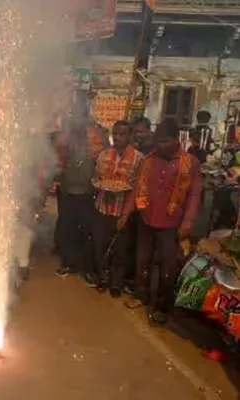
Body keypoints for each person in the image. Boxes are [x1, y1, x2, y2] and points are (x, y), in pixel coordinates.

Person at [120, 120, 203, 324]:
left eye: (165, 141)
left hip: (171, 223)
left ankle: (162, 307)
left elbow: (194, 195)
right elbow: (137, 188)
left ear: (176, 140)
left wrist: (187, 223)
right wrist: (126, 213)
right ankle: (141, 295)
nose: (160, 146)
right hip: (146, 219)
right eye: (158, 141)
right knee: (142, 261)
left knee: (168, 267)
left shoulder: (190, 162)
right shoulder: (148, 160)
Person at [54, 93, 107, 285]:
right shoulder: (65, 133)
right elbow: (58, 159)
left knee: (88, 229)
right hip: (68, 188)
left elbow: (104, 157)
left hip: (89, 189)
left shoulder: (97, 132)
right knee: (67, 227)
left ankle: (87, 268)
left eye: (81, 110)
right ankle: (68, 263)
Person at [91, 121, 143, 297]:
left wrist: (127, 213)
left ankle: (116, 283)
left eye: (122, 134)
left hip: (122, 211)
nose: (118, 138)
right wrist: (101, 184)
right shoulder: (103, 154)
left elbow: (137, 188)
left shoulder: (138, 158)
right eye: (116, 134)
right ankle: (102, 277)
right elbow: (97, 177)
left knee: (121, 250)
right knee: (100, 245)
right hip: (102, 208)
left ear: (129, 136)